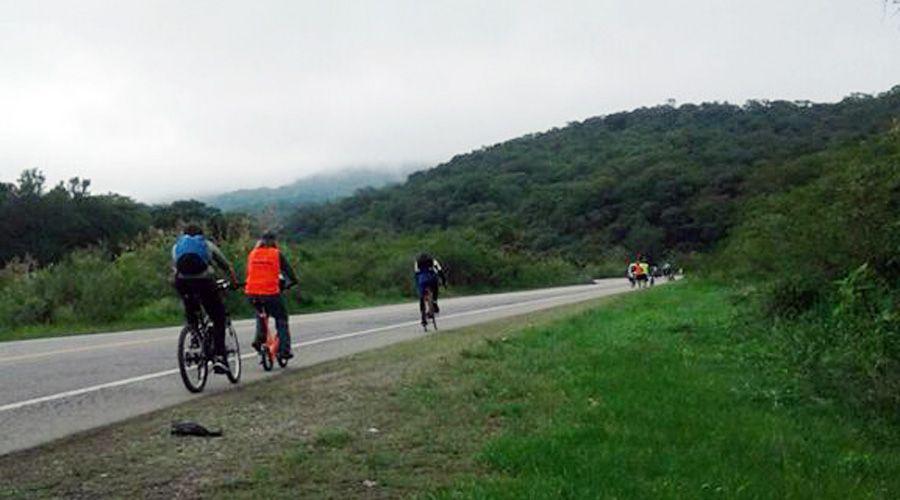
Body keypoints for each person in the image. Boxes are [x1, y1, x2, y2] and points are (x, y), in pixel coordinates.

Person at [172, 224, 238, 374]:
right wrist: (234, 282)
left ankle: (194, 335)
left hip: (183, 283)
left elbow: (175, 267)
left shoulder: (177, 247)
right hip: (204, 281)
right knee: (218, 318)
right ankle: (220, 357)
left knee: (191, 310)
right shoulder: (207, 245)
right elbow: (226, 266)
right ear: (201, 234)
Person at [244, 232, 299, 359]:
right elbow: (288, 271)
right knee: (281, 318)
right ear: (273, 241)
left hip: (252, 292)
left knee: (261, 314)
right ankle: (284, 350)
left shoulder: (252, 253)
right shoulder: (276, 253)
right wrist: (293, 282)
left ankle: (259, 339)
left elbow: (250, 272)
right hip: (270, 293)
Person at [414, 253, 447, 323]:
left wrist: (417, 285)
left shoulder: (417, 262)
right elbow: (440, 271)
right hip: (432, 278)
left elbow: (416, 274)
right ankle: (434, 302)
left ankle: (423, 316)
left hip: (422, 280)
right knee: (435, 288)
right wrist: (444, 281)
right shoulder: (433, 261)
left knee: (421, 297)